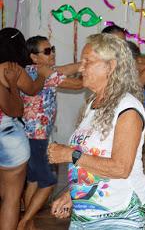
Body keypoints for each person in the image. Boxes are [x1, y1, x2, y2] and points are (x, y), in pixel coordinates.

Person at [48, 33, 145, 229]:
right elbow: (93, 158)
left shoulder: (127, 109)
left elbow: (120, 168)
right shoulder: (92, 104)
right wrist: (72, 193)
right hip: (87, 211)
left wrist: (70, 155)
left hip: (118, 213)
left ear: (110, 66)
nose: (81, 67)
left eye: (88, 61)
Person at [18, 36, 82, 230]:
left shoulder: (33, 70)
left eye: (52, 49)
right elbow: (77, 85)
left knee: (33, 181)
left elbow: (66, 69)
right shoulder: (41, 72)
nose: (52, 53)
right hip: (37, 137)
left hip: (31, 136)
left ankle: (29, 225)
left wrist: (84, 63)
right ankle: (23, 223)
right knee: (47, 182)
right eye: (47, 51)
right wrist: (97, 73)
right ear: (34, 57)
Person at [0, 28, 49, 230]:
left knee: (5, 196)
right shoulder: (10, 69)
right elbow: (17, 107)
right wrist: (41, 76)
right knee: (11, 199)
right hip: (8, 136)